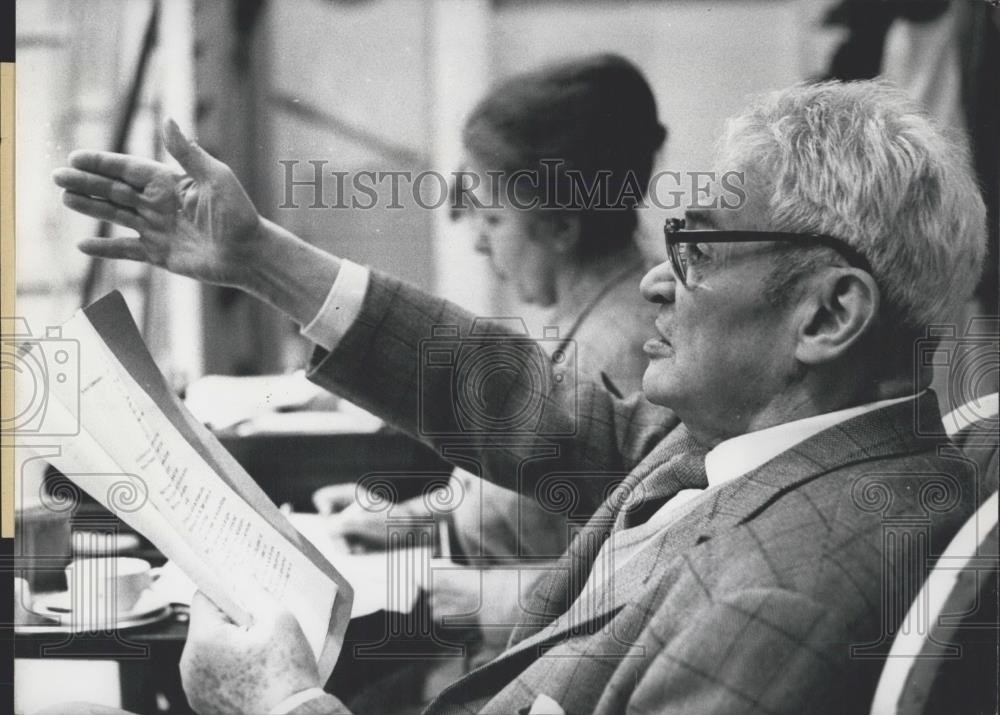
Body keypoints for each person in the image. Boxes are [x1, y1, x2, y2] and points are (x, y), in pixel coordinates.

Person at [51, 79, 987, 714]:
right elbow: (533, 406)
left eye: (698, 249)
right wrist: (260, 258)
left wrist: (280, 702)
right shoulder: (779, 435)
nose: (657, 282)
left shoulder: (775, 607)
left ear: (828, 315)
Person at [312, 57, 667, 645]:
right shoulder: (581, 316)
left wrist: (459, 592)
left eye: (494, 217)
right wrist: (398, 523)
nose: (477, 240)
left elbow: (626, 581)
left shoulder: (622, 353)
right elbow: (526, 509)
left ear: (561, 226)